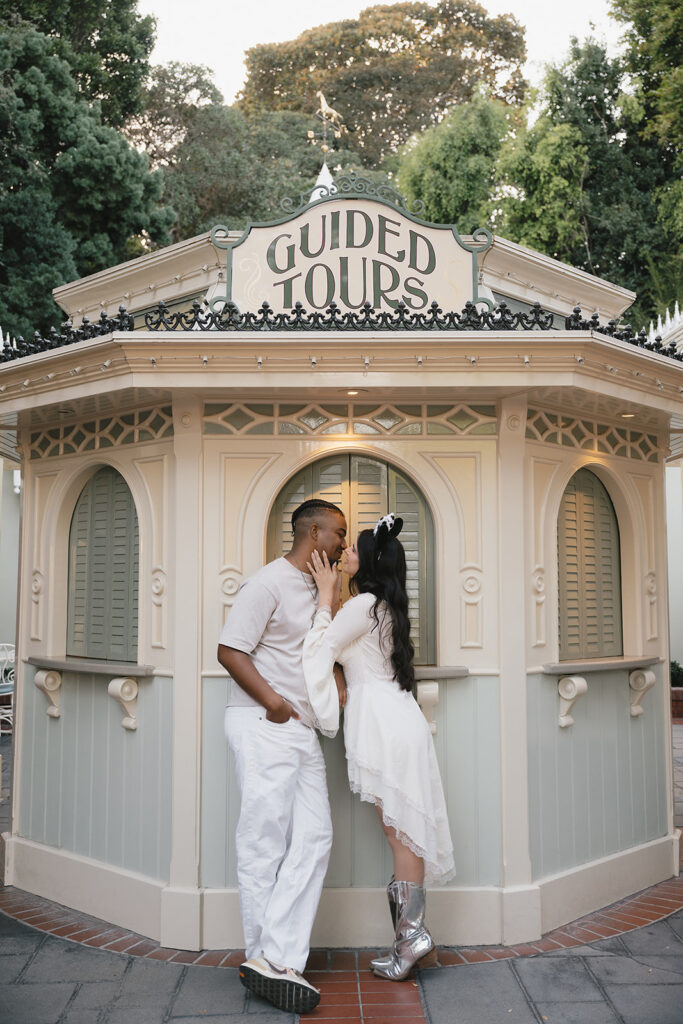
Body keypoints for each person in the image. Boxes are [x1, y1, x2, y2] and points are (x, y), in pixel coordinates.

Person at [303, 512, 455, 981]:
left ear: (366, 561)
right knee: (402, 832)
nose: (345, 552)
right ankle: (411, 937)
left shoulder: (360, 606)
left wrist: (326, 597)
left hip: (385, 726)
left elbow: (318, 649)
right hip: (397, 719)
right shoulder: (383, 606)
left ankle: (411, 939)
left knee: (400, 833)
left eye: (354, 548)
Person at [217, 498, 347, 1014]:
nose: (342, 540)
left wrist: (329, 594)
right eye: (338, 532)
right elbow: (230, 650)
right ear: (313, 533)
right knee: (263, 841)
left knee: (315, 837)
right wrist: (273, 703)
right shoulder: (266, 582)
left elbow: (321, 648)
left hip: (302, 731)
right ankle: (264, 956)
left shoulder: (320, 588)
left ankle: (279, 957)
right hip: (265, 723)